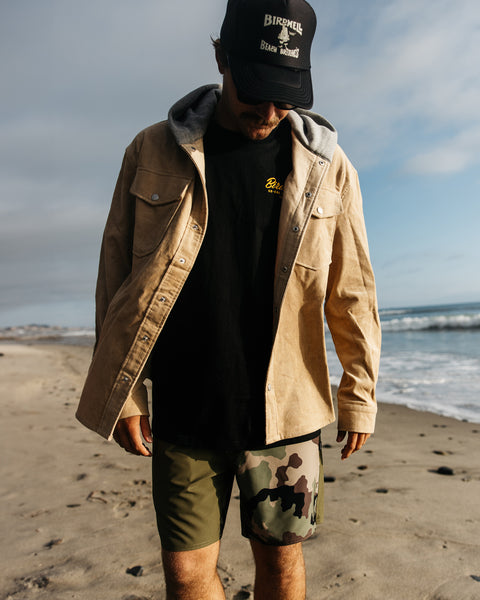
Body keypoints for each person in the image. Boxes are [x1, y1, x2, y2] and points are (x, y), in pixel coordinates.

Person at [76, 0, 381, 598]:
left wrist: (361, 392)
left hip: (287, 408)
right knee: (187, 576)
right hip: (186, 405)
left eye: (285, 95)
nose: (269, 112)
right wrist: (127, 391)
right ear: (220, 57)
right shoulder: (152, 150)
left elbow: (352, 289)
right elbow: (116, 276)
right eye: (257, 91)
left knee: (281, 565)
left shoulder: (328, 167)